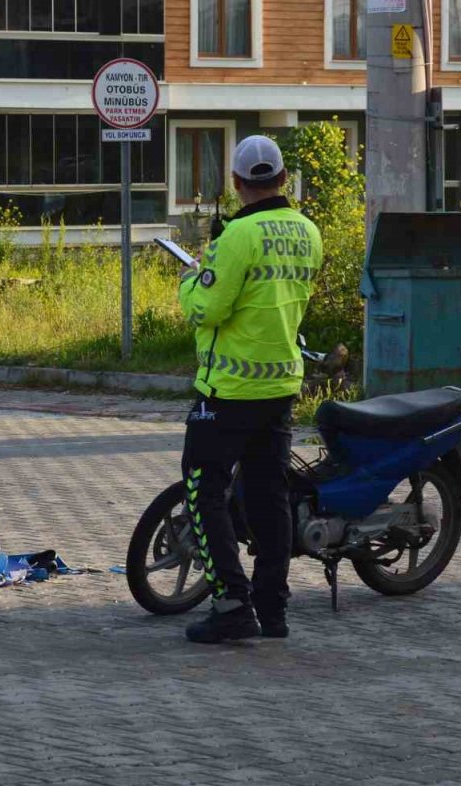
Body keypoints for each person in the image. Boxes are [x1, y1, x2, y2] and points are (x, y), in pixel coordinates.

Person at [177, 135, 323, 644]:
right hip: (280, 385)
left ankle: (232, 603)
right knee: (269, 498)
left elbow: (207, 309)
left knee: (203, 490)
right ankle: (272, 609)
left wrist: (191, 280)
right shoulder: (308, 231)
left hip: (228, 391)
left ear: (237, 183)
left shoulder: (237, 235)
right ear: (283, 178)